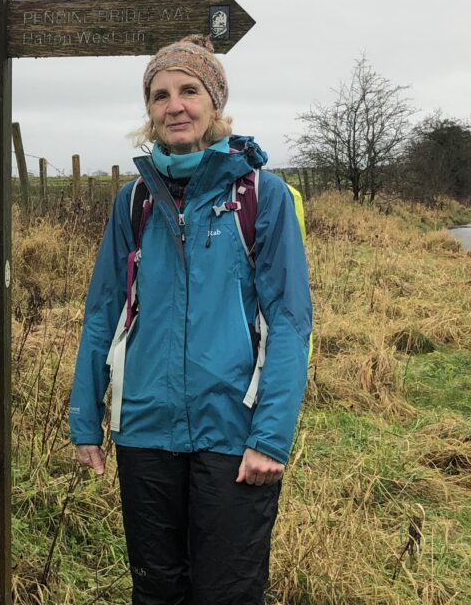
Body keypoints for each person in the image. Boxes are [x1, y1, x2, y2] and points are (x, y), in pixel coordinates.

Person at [68, 35, 311, 604]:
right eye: (159, 95)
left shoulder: (261, 196)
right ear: (149, 112)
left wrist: (271, 439)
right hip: (146, 431)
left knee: (227, 592)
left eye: (189, 90)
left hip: (234, 434)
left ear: (214, 103)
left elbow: (289, 319)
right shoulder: (134, 202)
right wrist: (87, 418)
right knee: (156, 591)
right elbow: (103, 310)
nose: (174, 105)